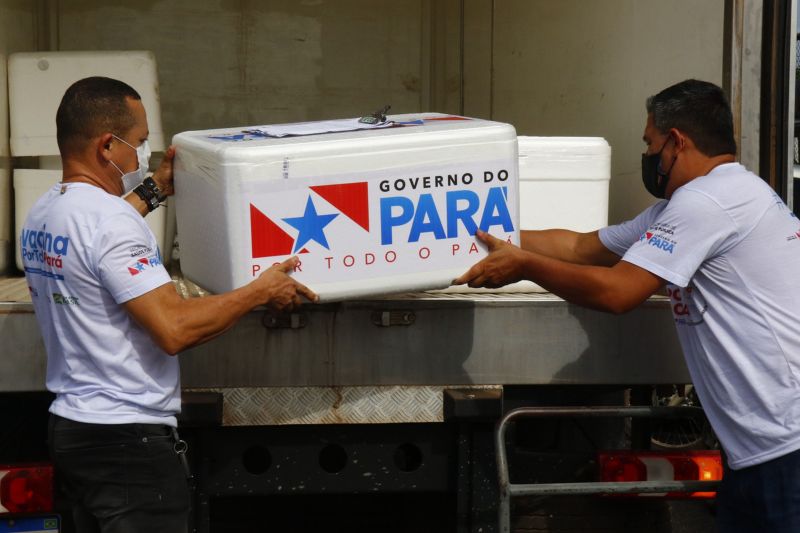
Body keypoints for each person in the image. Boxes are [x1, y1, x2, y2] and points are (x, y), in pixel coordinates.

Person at [455, 79, 800, 532]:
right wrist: (467, 236)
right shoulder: (710, 199)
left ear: (677, 141)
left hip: (785, 450)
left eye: (649, 143)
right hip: (759, 452)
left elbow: (618, 293)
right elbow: (580, 247)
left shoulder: (707, 202)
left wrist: (525, 267)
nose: (648, 156)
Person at [20, 76, 318, 533]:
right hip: (126, 444)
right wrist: (260, 290)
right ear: (107, 146)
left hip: (72, 429)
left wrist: (155, 189)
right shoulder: (109, 222)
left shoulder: (46, 211)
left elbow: (99, 243)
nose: (142, 156)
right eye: (138, 143)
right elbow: (173, 328)